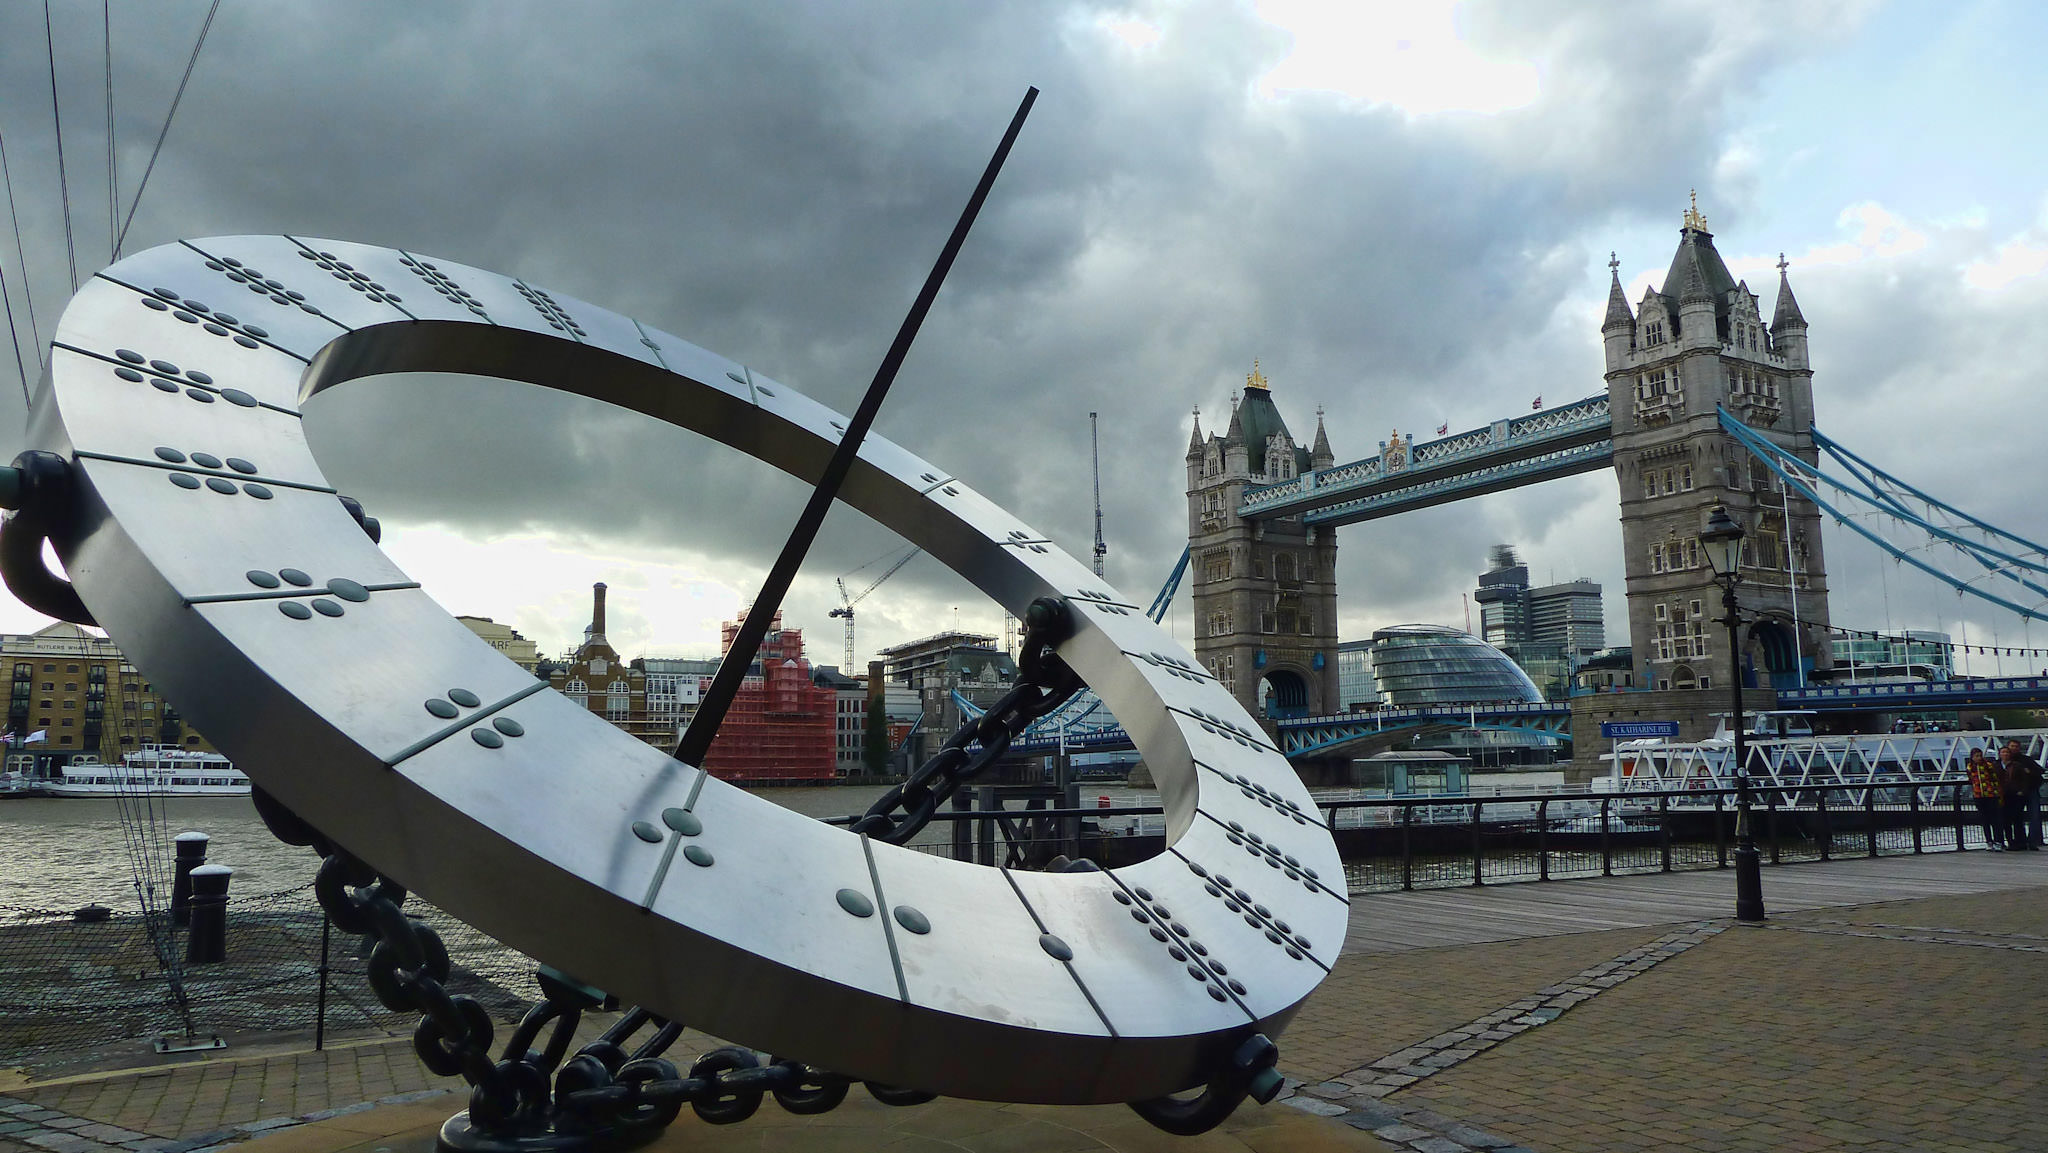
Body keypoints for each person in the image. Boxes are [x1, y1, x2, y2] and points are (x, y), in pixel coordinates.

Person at [2000, 741, 2042, 851]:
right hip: (2014, 794)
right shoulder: (2002, 764)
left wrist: (2029, 772)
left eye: (2016, 746)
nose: (2014, 748)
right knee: (2017, 818)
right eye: (2012, 746)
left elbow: (2040, 770)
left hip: (2029, 790)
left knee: (2034, 816)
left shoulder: (2025, 760)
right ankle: (2020, 841)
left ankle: (2032, 841)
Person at [1965, 747, 2006, 850]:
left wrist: (1997, 793)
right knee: (1985, 820)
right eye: (1976, 756)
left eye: (1980, 755)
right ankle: (1989, 841)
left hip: (1991, 795)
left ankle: (1998, 841)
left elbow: (1994, 779)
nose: (1978, 758)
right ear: (1972, 757)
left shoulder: (1988, 765)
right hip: (1979, 796)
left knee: (1995, 819)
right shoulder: (1970, 767)